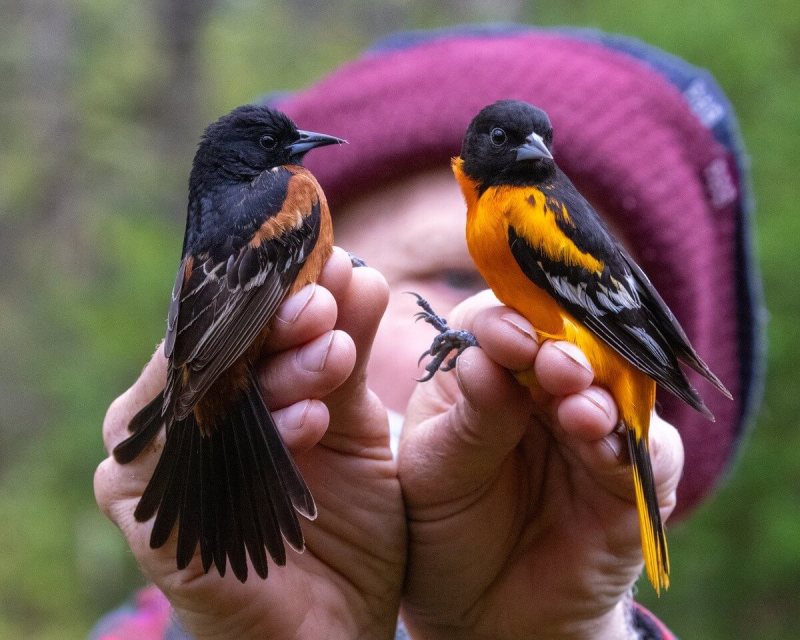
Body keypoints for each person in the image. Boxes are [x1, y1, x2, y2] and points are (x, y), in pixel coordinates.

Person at [93, 26, 762, 639]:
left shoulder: (533, 215)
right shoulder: (295, 207)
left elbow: (605, 323)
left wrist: (558, 631)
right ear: (339, 287)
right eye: (455, 276)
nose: (481, 313)